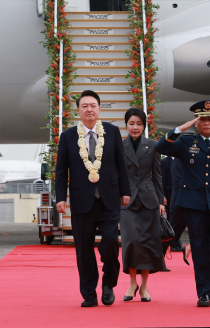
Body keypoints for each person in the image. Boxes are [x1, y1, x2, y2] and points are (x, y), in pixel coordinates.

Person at [155, 100, 210, 308]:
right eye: (202, 119)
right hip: (193, 205)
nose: (207, 123)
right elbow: (160, 147)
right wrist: (179, 129)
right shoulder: (185, 142)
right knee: (200, 248)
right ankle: (204, 293)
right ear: (196, 122)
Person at [55, 90, 130, 307]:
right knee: (84, 250)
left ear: (99, 109)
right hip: (81, 201)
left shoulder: (113, 132)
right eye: (85, 106)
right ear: (78, 110)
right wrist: (61, 197)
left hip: (109, 198)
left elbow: (120, 164)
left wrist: (125, 191)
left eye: (93, 105)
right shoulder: (68, 136)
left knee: (109, 244)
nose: (89, 109)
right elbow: (61, 170)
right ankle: (89, 293)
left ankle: (108, 284)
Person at [120, 108, 166, 302]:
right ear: (126, 125)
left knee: (147, 243)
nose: (135, 127)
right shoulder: (119, 146)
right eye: (131, 123)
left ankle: (144, 287)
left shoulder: (153, 146)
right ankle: (132, 283)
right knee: (131, 242)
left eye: (139, 124)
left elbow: (158, 175)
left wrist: (161, 200)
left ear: (144, 125)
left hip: (148, 199)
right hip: (126, 200)